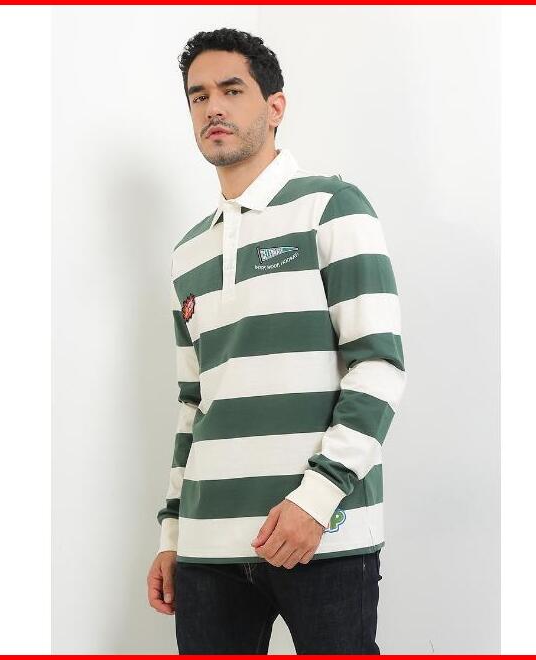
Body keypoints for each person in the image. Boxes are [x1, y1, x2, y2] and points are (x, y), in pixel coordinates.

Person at [146, 27, 407, 654]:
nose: (213, 107)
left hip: (322, 535)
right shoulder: (188, 253)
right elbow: (193, 403)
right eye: (198, 96)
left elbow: (377, 366)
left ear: (275, 105)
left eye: (232, 90)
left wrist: (316, 500)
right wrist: (173, 535)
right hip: (207, 549)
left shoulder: (332, 207)